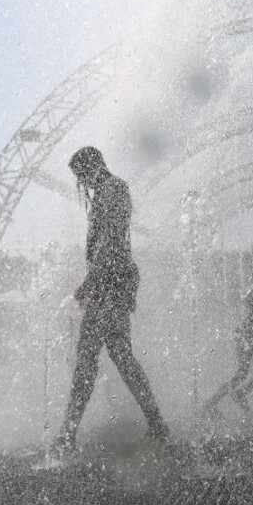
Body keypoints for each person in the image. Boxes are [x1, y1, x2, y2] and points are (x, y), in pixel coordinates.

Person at [50, 146, 170, 457]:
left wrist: (89, 282)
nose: (81, 183)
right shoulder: (110, 190)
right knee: (118, 356)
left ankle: (67, 435)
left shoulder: (113, 189)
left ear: (92, 167)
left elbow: (112, 240)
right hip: (112, 283)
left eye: (80, 175)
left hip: (109, 284)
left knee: (89, 359)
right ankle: (158, 427)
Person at [203, 259, 253, 415]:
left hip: (245, 333)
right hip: (249, 334)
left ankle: (212, 402)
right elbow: (247, 300)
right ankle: (239, 394)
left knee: (242, 373)